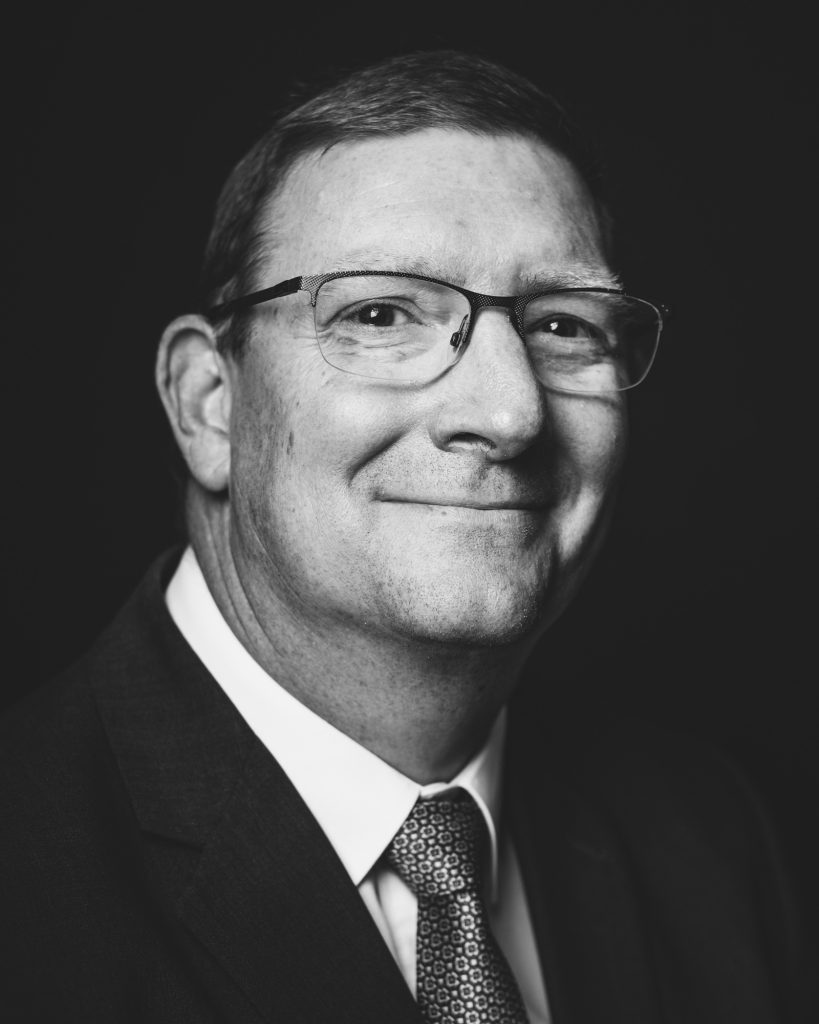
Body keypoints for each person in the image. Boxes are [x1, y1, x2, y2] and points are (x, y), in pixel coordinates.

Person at [0, 50, 806, 1023]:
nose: (509, 414)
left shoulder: (711, 842)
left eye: (563, 327)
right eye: (382, 313)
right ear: (211, 405)